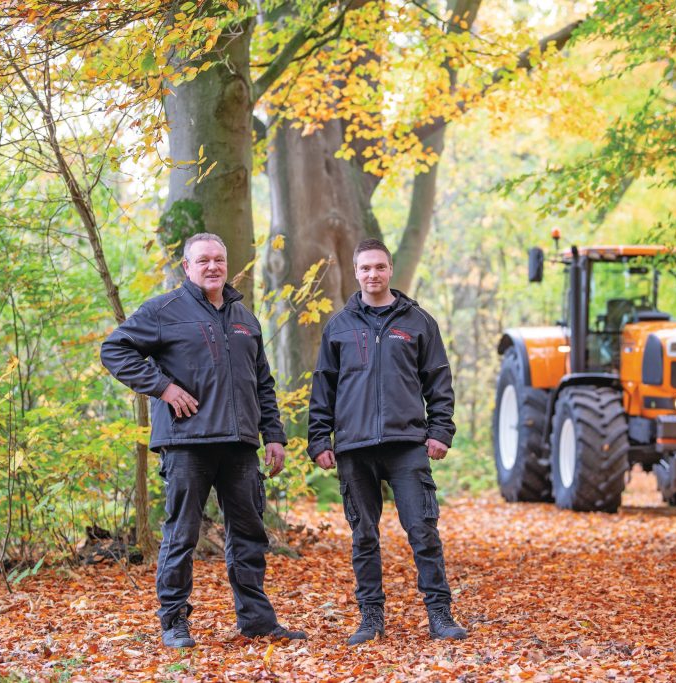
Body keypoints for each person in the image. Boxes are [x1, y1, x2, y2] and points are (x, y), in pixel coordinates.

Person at [100, 232, 305, 649]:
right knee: (182, 534)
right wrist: (162, 388)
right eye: (203, 260)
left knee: (249, 534)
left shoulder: (245, 317)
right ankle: (173, 621)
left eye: (219, 259)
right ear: (187, 267)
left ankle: (256, 621)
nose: (213, 266)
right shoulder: (164, 310)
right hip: (186, 442)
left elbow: (262, 382)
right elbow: (114, 349)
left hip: (240, 445)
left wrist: (274, 436)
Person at [308, 238, 467, 645]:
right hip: (353, 447)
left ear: (390, 269)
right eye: (365, 268)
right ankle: (370, 618)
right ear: (357, 272)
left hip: (406, 444)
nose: (372, 275)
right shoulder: (339, 326)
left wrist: (440, 431)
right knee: (363, 536)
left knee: (423, 531)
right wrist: (319, 439)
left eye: (379, 267)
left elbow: (439, 381)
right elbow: (323, 387)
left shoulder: (418, 322)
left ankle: (440, 615)